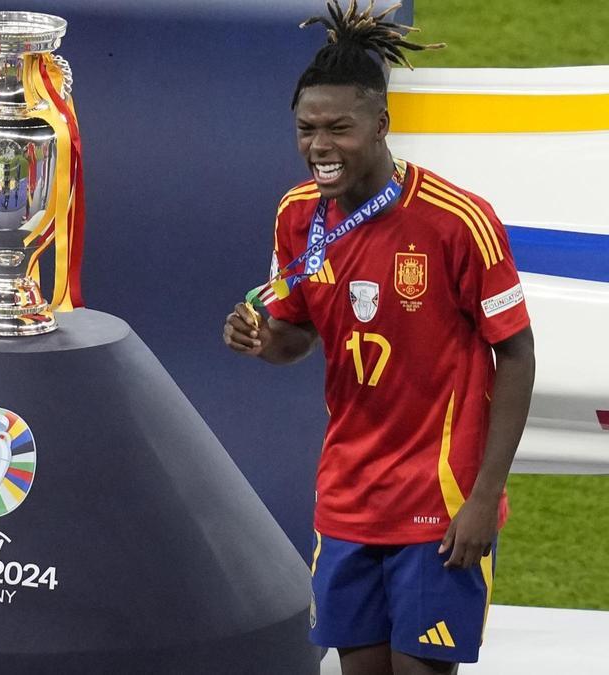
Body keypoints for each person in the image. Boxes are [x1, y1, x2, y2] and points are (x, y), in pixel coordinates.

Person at [222, 3, 535, 673]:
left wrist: (483, 497)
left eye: (340, 128)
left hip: (440, 500)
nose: (320, 146)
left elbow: (517, 352)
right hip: (349, 499)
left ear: (382, 125)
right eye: (307, 130)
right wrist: (260, 337)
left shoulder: (459, 221)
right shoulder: (297, 215)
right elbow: (294, 335)